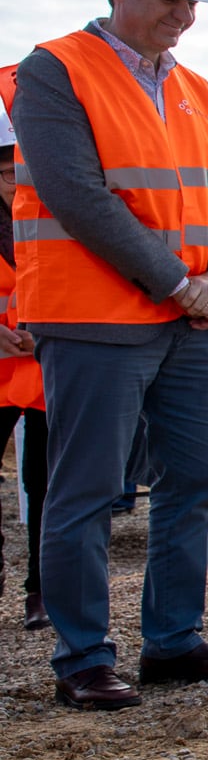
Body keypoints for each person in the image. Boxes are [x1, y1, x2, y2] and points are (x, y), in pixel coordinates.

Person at [7, 0, 208, 710]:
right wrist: (179, 284)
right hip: (97, 319)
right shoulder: (53, 71)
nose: (183, 18)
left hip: (194, 322)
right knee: (84, 490)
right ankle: (83, 654)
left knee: (192, 481)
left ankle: (173, 640)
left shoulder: (196, 89)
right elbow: (79, 197)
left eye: (192, 4)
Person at [0, 78, 51, 631]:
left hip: (43, 373)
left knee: (43, 485)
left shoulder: (50, 216)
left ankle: (40, 590)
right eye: (4, 171)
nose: (14, 181)